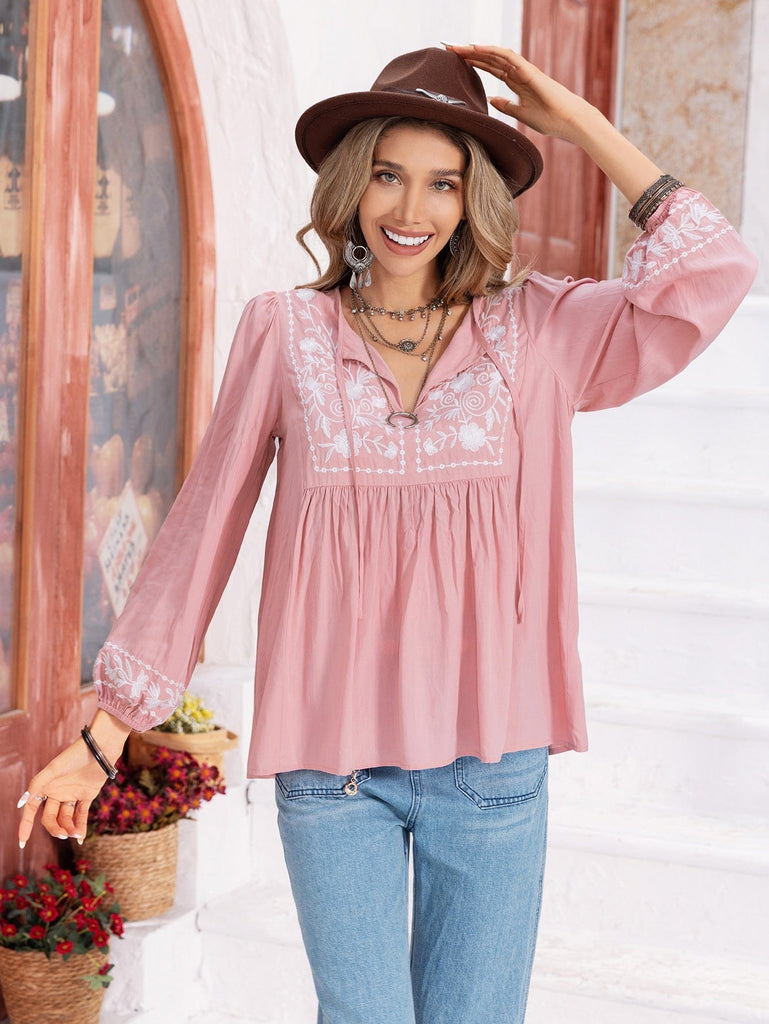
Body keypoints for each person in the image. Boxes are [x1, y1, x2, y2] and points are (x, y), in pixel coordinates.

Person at [17, 43, 756, 1024]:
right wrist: (105, 733)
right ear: (349, 185)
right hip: (335, 772)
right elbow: (200, 531)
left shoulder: (538, 331)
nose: (411, 209)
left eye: (443, 182)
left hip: (491, 761)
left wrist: (577, 124)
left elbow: (711, 272)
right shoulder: (284, 332)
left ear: (474, 198)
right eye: (387, 174)